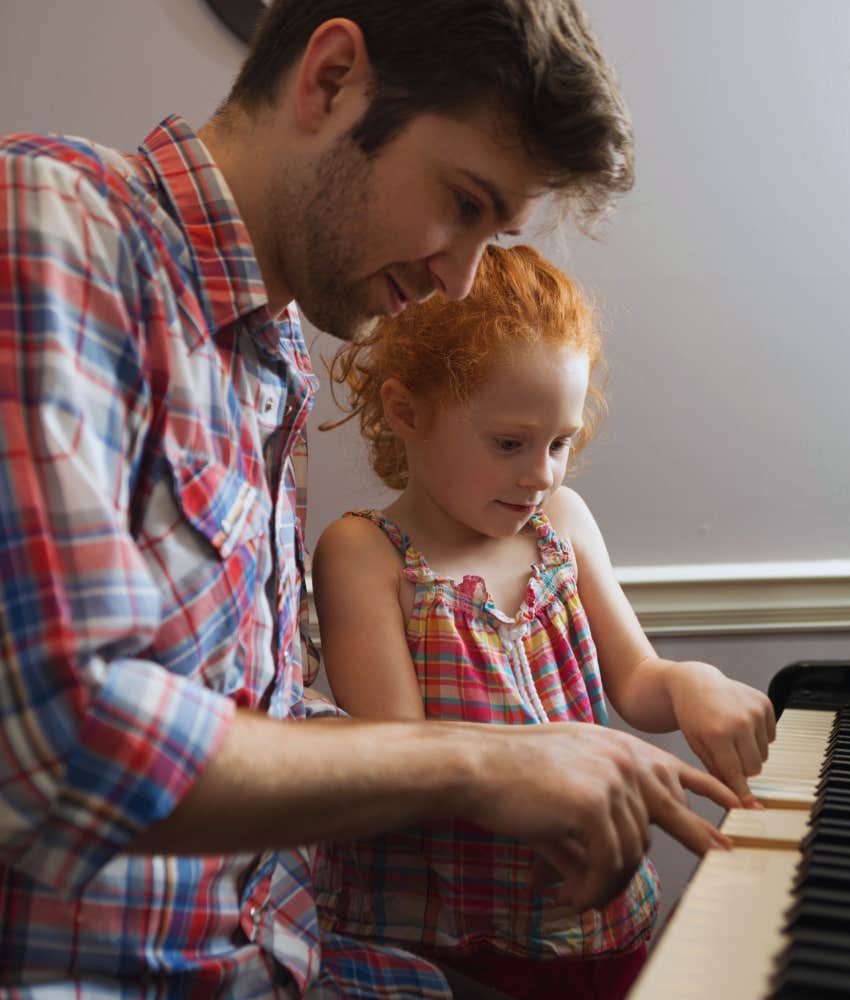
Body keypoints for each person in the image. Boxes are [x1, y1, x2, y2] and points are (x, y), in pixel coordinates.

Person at [0, 1, 747, 995]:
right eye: (464, 200)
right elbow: (63, 735)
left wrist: (557, 750)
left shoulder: (273, 362)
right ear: (331, 78)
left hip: (298, 956)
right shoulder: (54, 218)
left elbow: (242, 719)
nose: (457, 278)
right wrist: (480, 761)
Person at [311, 244, 776, 999]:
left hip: (592, 921)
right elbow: (403, 760)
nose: (543, 473)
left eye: (560, 442)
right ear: (406, 412)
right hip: (449, 935)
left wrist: (691, 682)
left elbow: (637, 680)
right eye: (510, 444)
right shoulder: (366, 553)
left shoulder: (561, 519)